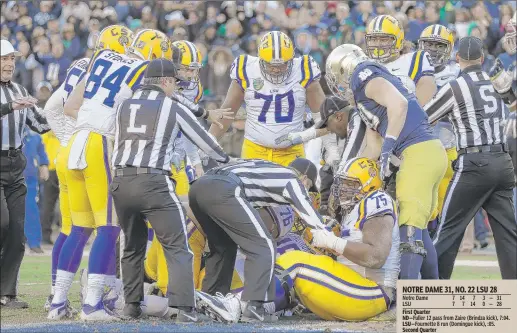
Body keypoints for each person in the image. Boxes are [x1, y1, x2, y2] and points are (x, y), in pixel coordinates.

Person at [110, 58, 229, 322]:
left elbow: (114, 138)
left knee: (132, 246)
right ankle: (184, 308)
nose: (176, 87)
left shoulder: (122, 106)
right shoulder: (170, 106)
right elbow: (205, 141)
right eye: (174, 82)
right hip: (153, 181)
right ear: (165, 81)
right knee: (178, 245)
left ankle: (131, 306)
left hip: (120, 181)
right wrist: (226, 160)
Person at [322, 44, 447, 280]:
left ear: (344, 68)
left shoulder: (362, 73)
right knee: (419, 232)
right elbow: (373, 149)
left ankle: (405, 301)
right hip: (425, 152)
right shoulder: (364, 100)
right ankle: (433, 293)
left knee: (409, 228)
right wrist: (350, 177)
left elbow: (398, 105)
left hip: (417, 150)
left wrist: (390, 147)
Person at [189, 157, 327, 322]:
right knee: (264, 245)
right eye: (309, 186)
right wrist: (329, 236)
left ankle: (211, 300)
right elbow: (312, 217)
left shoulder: (268, 167)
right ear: (304, 179)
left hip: (199, 187)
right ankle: (253, 307)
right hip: (224, 188)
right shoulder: (292, 180)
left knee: (223, 247)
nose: (306, 190)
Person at [425, 36, 517, 279]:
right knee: (508, 234)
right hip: (502, 160)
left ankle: (433, 288)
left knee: (447, 231)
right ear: (482, 58)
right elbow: (513, 104)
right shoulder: (496, 81)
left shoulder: (455, 87)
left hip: (474, 163)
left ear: (457, 59)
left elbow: (426, 117)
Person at [276, 157, 398, 321]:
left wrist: (331, 241)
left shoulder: (376, 199)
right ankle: (265, 303)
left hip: (372, 290)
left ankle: (245, 303)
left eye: (350, 184)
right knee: (292, 252)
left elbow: (376, 257)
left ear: (370, 183)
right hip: (351, 286)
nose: (343, 189)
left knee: (294, 262)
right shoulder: (354, 209)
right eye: (342, 183)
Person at [208, 31, 327, 167]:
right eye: (271, 65)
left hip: (291, 153)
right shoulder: (247, 69)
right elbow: (227, 112)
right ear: (260, 59)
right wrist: (207, 143)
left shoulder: (303, 70)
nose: (276, 70)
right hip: (255, 150)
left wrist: (330, 147)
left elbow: (322, 116)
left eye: (282, 65)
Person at [1, 39, 50, 309]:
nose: (9, 63)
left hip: (15, 164)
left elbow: (41, 126)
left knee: (17, 231)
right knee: (2, 223)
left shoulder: (19, 89)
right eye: (4, 59)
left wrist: (50, 108)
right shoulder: (12, 100)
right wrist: (12, 107)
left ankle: (7, 293)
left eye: (12, 59)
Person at [43, 56, 89, 317]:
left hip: (66, 154)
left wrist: (66, 140)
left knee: (70, 229)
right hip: (88, 156)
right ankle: (102, 293)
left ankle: (55, 295)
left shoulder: (80, 64)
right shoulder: (105, 67)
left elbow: (51, 107)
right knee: (108, 227)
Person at [365, 14, 437, 105]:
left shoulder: (415, 59)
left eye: (383, 39)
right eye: (374, 39)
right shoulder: (366, 66)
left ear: (399, 40)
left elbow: (426, 101)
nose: (378, 44)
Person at [22, 127, 49, 254]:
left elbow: (41, 151)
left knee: (31, 209)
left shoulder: (34, 135)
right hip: (8, 175)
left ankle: (34, 243)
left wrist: (44, 165)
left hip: (29, 177)